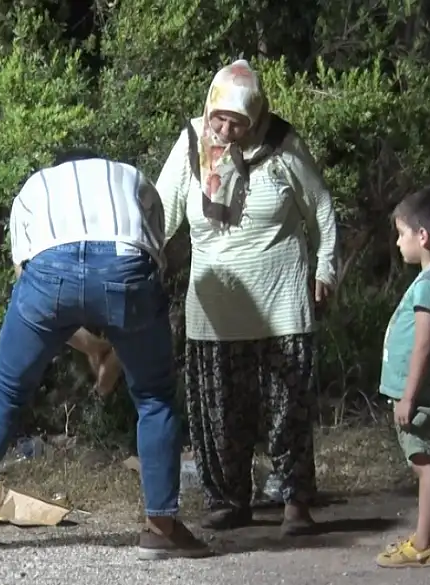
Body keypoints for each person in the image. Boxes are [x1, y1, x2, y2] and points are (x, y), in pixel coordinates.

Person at [0, 148, 211, 561]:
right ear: (100, 163)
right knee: (155, 397)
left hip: (50, 269)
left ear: (61, 166)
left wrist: (88, 344)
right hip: (126, 264)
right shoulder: (132, 178)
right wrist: (106, 349)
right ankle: (161, 528)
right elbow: (146, 272)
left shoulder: (37, 186)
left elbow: (32, 286)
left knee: (5, 392)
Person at [154, 60, 338, 535]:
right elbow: (162, 209)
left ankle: (295, 500)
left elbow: (320, 205)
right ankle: (229, 499)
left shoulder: (282, 146)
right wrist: (138, 258)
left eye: (237, 122)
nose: (226, 130)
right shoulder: (193, 143)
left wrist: (325, 267)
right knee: (218, 410)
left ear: (256, 117)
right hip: (214, 307)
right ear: (209, 108)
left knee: (287, 408)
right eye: (220, 118)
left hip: (280, 302)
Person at [375, 188, 430, 568]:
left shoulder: (429, 284)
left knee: (424, 463)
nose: (398, 242)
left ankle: (423, 542)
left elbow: (424, 343)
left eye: (401, 233)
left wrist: (408, 396)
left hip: (420, 393)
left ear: (422, 236)